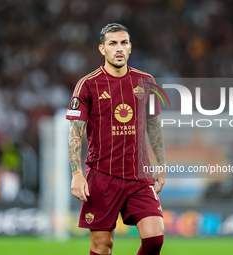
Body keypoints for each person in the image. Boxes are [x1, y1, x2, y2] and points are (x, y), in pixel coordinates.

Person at [66, 23, 166, 255]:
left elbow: (153, 125)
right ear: (102, 49)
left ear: (130, 47)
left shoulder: (146, 81)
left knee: (155, 238)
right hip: (102, 176)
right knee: (102, 247)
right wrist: (77, 173)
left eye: (123, 43)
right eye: (113, 43)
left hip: (138, 175)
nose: (119, 48)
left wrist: (161, 163)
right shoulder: (87, 85)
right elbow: (75, 132)